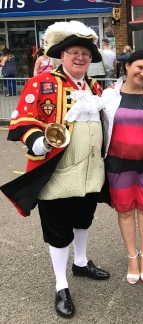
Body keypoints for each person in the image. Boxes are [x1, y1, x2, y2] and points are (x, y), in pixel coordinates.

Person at [0, 20, 110, 318]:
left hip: (90, 171)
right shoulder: (42, 83)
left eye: (85, 54)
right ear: (62, 55)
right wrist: (38, 141)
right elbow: (23, 119)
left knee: (84, 219)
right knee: (59, 231)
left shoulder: (94, 86)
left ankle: (82, 263)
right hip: (57, 173)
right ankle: (61, 284)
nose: (80, 57)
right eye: (74, 52)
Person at [101, 49, 143, 284]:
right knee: (125, 210)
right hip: (117, 162)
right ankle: (132, 258)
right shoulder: (108, 95)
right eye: (139, 67)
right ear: (127, 66)